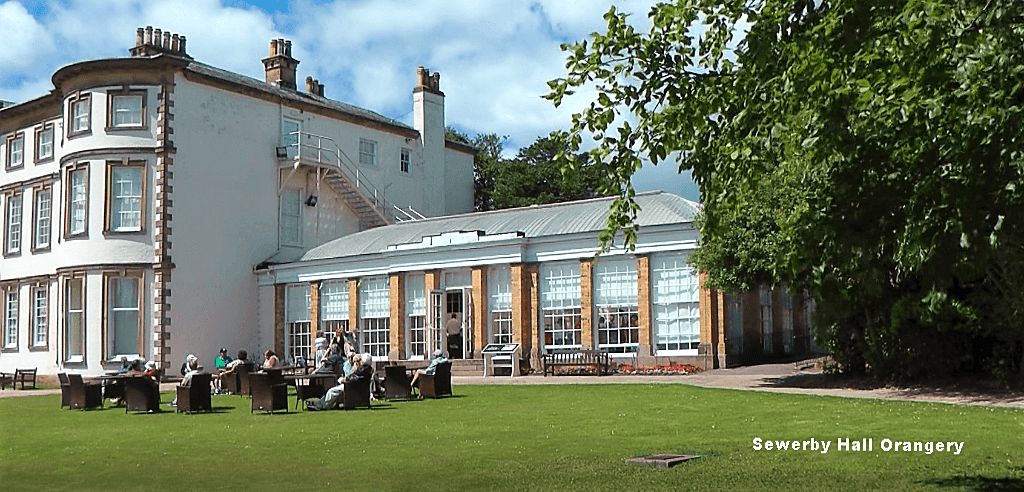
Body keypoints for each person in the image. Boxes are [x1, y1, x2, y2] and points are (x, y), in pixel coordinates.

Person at [306, 353, 373, 411]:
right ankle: (320, 402)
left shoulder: (364, 369)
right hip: (352, 387)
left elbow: (355, 378)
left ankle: (321, 405)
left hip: (351, 387)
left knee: (332, 391)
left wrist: (346, 379)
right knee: (335, 386)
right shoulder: (366, 369)